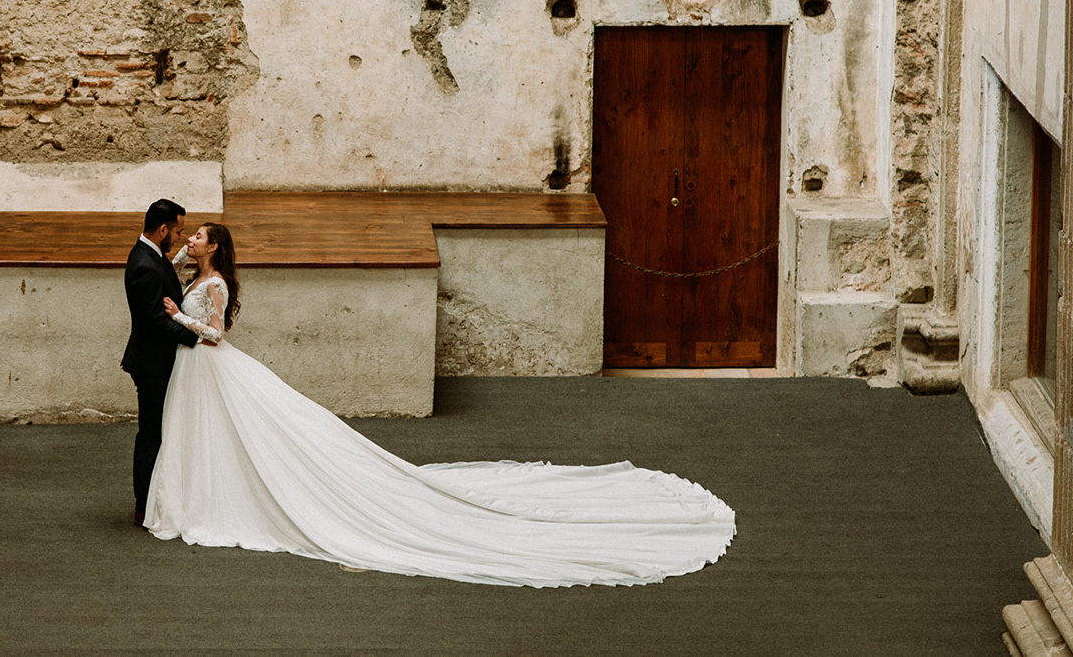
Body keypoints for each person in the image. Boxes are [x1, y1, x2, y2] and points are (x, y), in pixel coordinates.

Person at [143, 222, 738, 588]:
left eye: (197, 236)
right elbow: (173, 277)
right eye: (190, 234)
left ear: (216, 248)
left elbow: (218, 333)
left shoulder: (215, 286)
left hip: (209, 362)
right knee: (205, 435)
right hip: (199, 374)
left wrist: (179, 319)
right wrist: (173, 270)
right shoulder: (197, 271)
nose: (190, 239)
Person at [120, 198, 199, 525]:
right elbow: (156, 320)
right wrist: (198, 337)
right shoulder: (143, 265)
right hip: (152, 363)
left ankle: (157, 499)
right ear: (163, 229)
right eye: (178, 231)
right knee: (152, 433)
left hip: (159, 359)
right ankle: (144, 505)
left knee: (161, 430)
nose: (180, 237)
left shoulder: (153, 256)